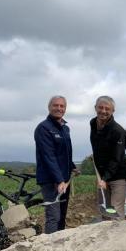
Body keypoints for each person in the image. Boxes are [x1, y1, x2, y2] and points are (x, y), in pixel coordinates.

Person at [34, 95, 78, 234]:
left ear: (65, 109)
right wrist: (59, 180)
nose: (59, 108)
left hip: (64, 180)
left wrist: (72, 166)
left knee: (62, 215)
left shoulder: (65, 129)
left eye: (62, 106)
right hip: (50, 180)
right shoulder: (43, 128)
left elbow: (64, 154)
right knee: (54, 216)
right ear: (49, 107)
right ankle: (49, 246)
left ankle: (60, 244)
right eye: (55, 105)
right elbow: (49, 156)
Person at [90, 96, 126, 218]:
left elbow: (116, 158)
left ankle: (119, 236)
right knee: (105, 210)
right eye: (100, 107)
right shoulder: (93, 124)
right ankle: (107, 237)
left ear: (113, 111)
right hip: (102, 175)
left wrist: (105, 179)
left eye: (107, 109)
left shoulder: (118, 131)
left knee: (115, 211)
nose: (103, 111)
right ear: (95, 108)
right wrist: (102, 177)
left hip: (117, 175)